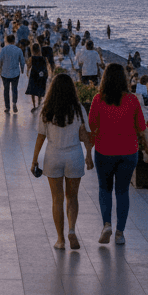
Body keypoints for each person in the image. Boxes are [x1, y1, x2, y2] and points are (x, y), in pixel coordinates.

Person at [31, 73, 94, 250]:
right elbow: (86, 134)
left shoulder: (46, 109)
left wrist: (35, 160)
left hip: (53, 156)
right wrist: (89, 154)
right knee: (72, 197)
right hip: (74, 155)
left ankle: (60, 239)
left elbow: (40, 137)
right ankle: (72, 230)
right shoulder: (79, 109)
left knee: (57, 199)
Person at [88, 63, 145, 245]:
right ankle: (120, 233)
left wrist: (90, 150)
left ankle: (106, 224)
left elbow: (92, 126)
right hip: (128, 152)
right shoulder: (133, 100)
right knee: (122, 191)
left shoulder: (98, 99)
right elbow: (141, 128)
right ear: (124, 79)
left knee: (104, 189)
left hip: (104, 150)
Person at [0, 34, 26, 114]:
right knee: (14, 88)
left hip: (5, 73)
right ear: (14, 41)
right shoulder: (18, 50)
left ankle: (7, 107)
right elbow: (22, 61)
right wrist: (22, 69)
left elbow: (0, 61)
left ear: (6, 41)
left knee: (6, 90)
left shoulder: (3, 49)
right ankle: (14, 103)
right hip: (15, 73)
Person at [25, 43, 49, 111]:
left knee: (32, 91)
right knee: (39, 90)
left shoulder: (32, 58)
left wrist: (27, 71)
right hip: (40, 75)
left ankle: (34, 105)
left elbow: (29, 65)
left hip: (33, 74)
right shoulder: (44, 58)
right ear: (39, 49)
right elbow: (46, 66)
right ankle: (39, 104)